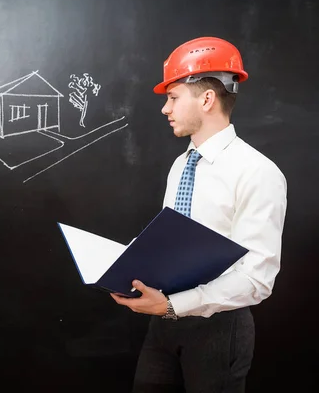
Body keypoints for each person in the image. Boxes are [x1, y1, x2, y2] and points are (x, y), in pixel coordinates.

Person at [111, 37, 288, 392]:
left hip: (218, 331)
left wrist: (174, 306)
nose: (165, 108)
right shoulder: (181, 165)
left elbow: (257, 279)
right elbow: (170, 241)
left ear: (207, 99)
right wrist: (129, 264)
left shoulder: (258, 172)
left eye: (173, 97)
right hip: (161, 325)